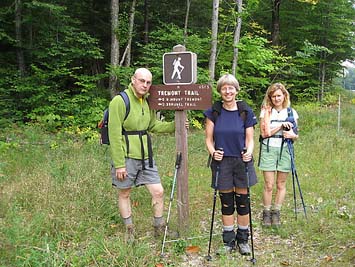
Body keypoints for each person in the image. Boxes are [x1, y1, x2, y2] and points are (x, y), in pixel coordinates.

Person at [108, 67, 177, 242]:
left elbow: (153, 125)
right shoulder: (120, 101)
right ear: (133, 80)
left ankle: (158, 228)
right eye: (142, 81)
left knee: (158, 191)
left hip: (146, 157)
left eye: (148, 82)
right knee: (124, 193)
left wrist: (174, 125)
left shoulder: (147, 102)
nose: (145, 85)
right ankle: (129, 230)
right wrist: (119, 164)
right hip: (126, 156)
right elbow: (114, 135)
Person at [204, 74, 258, 255]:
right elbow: (208, 139)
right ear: (220, 91)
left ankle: (243, 240)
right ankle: (228, 242)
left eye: (231, 88)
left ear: (236, 90)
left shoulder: (245, 111)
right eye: (224, 88)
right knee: (226, 203)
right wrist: (213, 153)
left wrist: (249, 151)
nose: (228, 91)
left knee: (243, 202)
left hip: (242, 160)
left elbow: (250, 139)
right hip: (222, 162)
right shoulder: (214, 112)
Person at [258, 83, 299, 227]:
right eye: (273, 96)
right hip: (268, 149)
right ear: (270, 97)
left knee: (281, 184)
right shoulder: (266, 111)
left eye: (279, 95)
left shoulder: (291, 112)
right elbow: (264, 133)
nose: (276, 99)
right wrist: (281, 126)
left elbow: (296, 134)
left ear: (284, 96)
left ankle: (276, 212)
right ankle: (266, 213)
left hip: (285, 150)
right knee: (269, 185)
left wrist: (292, 135)